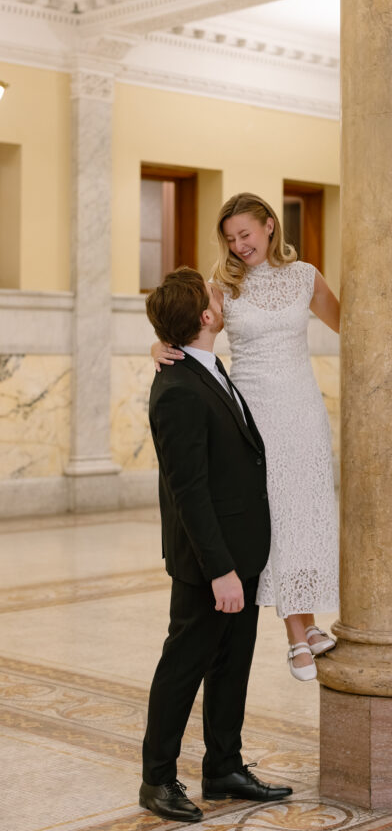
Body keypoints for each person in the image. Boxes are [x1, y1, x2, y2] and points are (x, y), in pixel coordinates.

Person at [153, 193, 340, 681]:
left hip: (303, 410)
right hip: (253, 414)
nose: (238, 245)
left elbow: (351, 326)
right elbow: (181, 323)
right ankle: (296, 636)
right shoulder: (222, 287)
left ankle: (309, 621)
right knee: (273, 516)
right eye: (231, 238)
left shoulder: (306, 277)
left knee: (305, 514)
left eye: (245, 234)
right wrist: (157, 344)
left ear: (269, 226)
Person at [141, 267, 292, 823]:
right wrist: (220, 570)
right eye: (213, 295)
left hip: (241, 551)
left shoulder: (204, 365)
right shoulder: (178, 389)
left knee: (232, 664)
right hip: (211, 561)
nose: (220, 295)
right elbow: (189, 492)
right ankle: (157, 779)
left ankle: (224, 767)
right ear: (206, 317)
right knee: (183, 667)